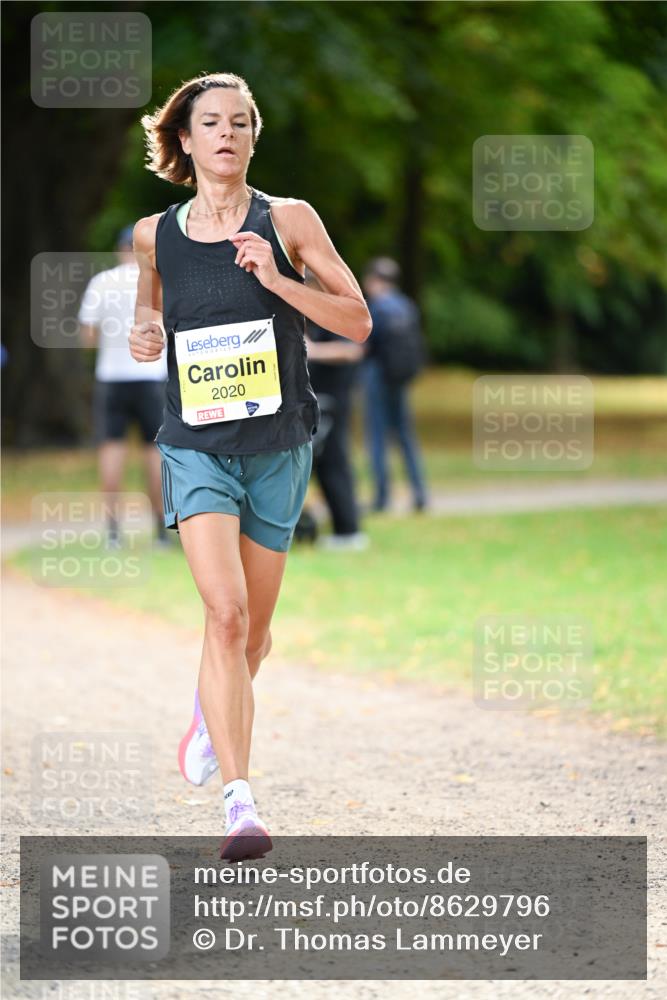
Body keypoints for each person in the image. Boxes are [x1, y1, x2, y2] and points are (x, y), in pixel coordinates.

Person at [129, 73, 371, 861]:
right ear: (187, 141)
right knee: (224, 615)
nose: (225, 133)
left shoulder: (289, 220)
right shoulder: (151, 235)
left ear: (252, 138)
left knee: (254, 636)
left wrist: (276, 279)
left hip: (278, 447)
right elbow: (150, 312)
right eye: (210, 122)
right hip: (195, 447)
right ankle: (240, 803)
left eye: (239, 122)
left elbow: (357, 321)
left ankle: (209, 713)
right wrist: (143, 332)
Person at [78, 227, 168, 547]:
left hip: (112, 378)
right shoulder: (159, 281)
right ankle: (160, 530)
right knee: (154, 452)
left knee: (111, 450)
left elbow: (88, 337)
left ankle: (113, 532)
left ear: (119, 249)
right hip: (151, 378)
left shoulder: (102, 282)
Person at [305, 272, 368, 551]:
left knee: (334, 462)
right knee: (321, 463)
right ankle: (342, 528)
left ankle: (348, 530)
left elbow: (353, 350)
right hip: (317, 397)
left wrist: (313, 351)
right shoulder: (311, 312)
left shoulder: (333, 309)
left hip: (334, 397)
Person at [362, 257, 428, 512]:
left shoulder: (376, 308)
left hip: (377, 374)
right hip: (400, 378)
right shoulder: (407, 306)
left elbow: (365, 344)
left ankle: (381, 497)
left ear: (373, 280)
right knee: (405, 436)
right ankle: (420, 492)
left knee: (377, 437)